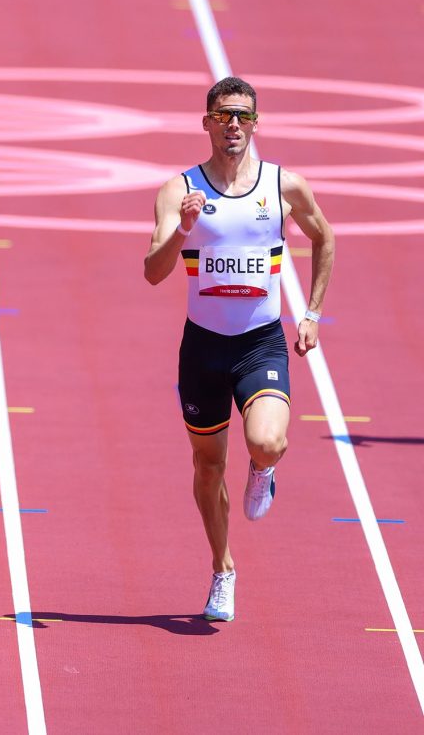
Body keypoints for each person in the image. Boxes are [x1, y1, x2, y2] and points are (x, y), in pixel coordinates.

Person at [143, 76, 335, 622]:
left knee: (268, 442)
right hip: (202, 348)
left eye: (243, 116)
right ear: (205, 122)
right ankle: (222, 569)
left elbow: (325, 237)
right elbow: (153, 272)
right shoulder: (178, 190)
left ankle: (262, 468)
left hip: (260, 343)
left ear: (256, 123)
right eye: (223, 115)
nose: (233, 125)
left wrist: (313, 312)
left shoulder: (283, 186)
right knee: (207, 466)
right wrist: (182, 229)